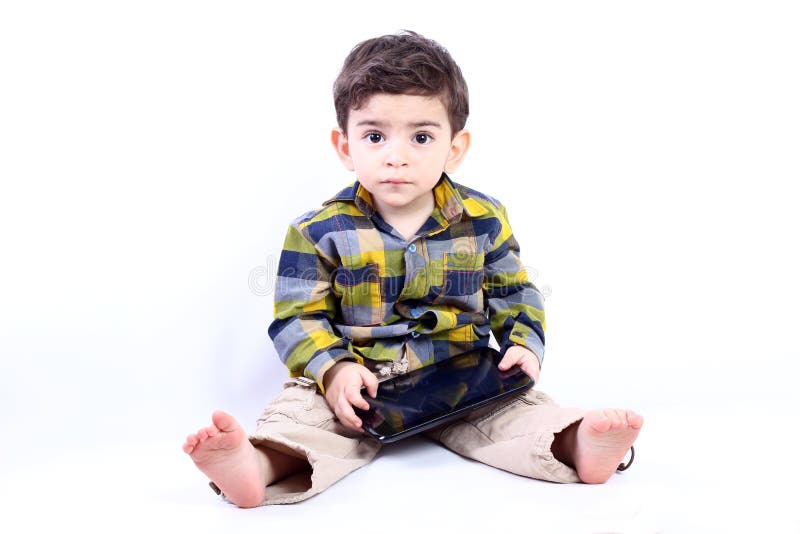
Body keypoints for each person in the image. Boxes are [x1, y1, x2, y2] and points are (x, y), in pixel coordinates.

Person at [182, 30, 643, 508]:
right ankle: (257, 466)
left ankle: (576, 444)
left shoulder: (482, 218)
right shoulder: (319, 230)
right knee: (303, 416)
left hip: (458, 377)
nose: (395, 156)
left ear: (454, 148)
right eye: (375, 136)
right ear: (345, 146)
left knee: (515, 413)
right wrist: (334, 369)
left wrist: (523, 344)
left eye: (421, 137)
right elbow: (297, 317)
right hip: (360, 385)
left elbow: (513, 289)